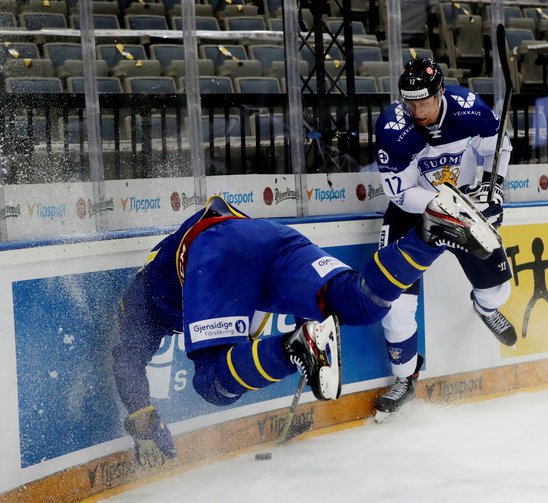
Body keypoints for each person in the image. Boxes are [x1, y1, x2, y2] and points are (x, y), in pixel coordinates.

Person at [112, 191, 499, 461]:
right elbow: (251, 268)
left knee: (211, 383)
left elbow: (126, 359)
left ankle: (294, 347)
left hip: (218, 254)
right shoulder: (169, 284)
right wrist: (307, 318)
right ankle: (431, 232)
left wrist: (142, 417)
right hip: (269, 238)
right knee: (361, 303)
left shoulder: (141, 298)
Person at [373, 57, 517, 418]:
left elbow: (499, 148)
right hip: (413, 215)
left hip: (464, 207)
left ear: (440, 92)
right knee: (394, 306)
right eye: (410, 103)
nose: (417, 110)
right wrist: (444, 205)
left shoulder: (468, 108)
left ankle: (484, 307)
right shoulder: (394, 127)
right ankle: (405, 379)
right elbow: (400, 193)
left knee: (499, 290)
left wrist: (493, 190)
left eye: (423, 102)